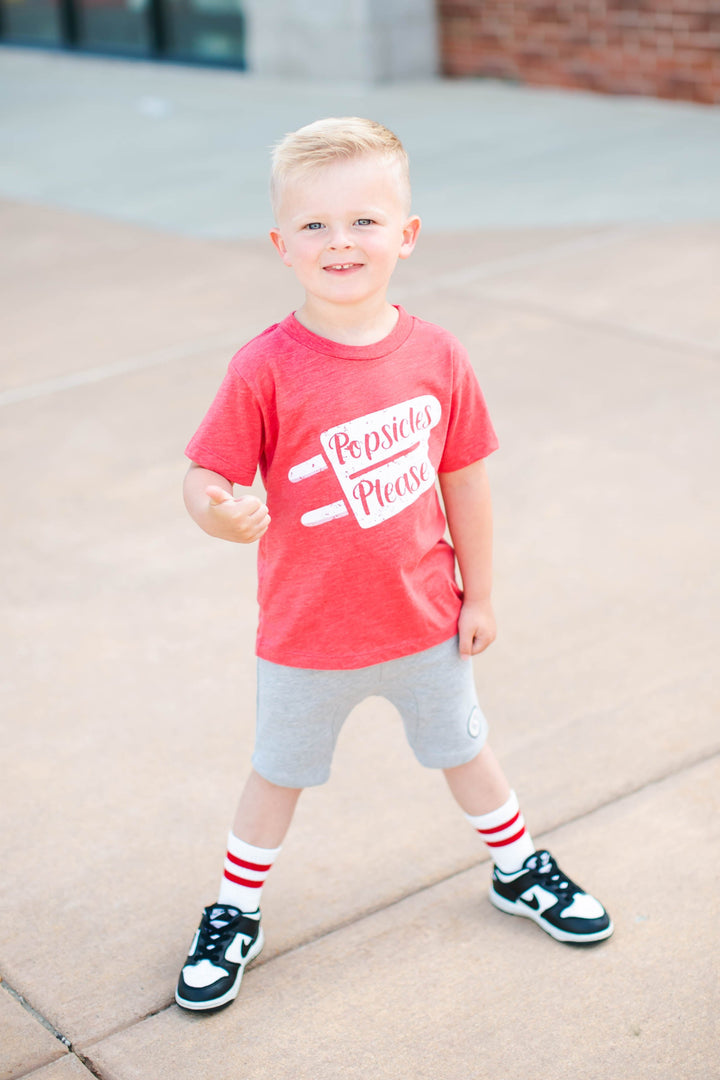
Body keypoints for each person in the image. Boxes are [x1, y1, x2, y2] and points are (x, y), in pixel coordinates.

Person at [175, 117, 613, 1013]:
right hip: (306, 634)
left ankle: (518, 866)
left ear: (406, 236)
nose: (341, 242)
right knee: (277, 772)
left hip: (423, 618)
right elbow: (205, 472)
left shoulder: (438, 355)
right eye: (316, 225)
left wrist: (481, 593)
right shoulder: (265, 368)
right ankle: (234, 909)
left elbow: (466, 482)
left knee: (467, 749)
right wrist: (220, 515)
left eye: (365, 221)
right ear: (281, 245)